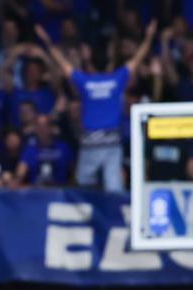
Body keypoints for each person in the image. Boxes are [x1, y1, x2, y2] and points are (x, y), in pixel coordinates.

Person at [36, 20, 156, 191]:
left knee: (84, 186)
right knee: (114, 187)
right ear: (108, 63)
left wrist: (47, 41)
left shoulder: (84, 81)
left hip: (90, 143)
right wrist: (149, 37)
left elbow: (63, 64)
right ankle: (114, 217)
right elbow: (137, 59)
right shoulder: (117, 79)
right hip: (111, 143)